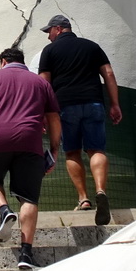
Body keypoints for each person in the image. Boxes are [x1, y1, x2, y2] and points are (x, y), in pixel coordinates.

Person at [0, 47, 61, 269]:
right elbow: (54, 119)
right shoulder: (40, 83)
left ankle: (4, 211)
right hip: (30, 141)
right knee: (28, 198)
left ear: (2, 62)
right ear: (23, 62)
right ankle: (26, 254)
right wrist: (55, 149)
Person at [38, 15, 121, 226]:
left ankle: (83, 198)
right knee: (96, 150)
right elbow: (108, 74)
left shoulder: (49, 51)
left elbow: (44, 84)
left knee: (72, 151)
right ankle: (100, 190)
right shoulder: (92, 47)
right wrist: (115, 104)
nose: (48, 36)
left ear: (58, 29)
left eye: (49, 31)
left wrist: (43, 113)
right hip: (93, 103)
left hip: (64, 107)